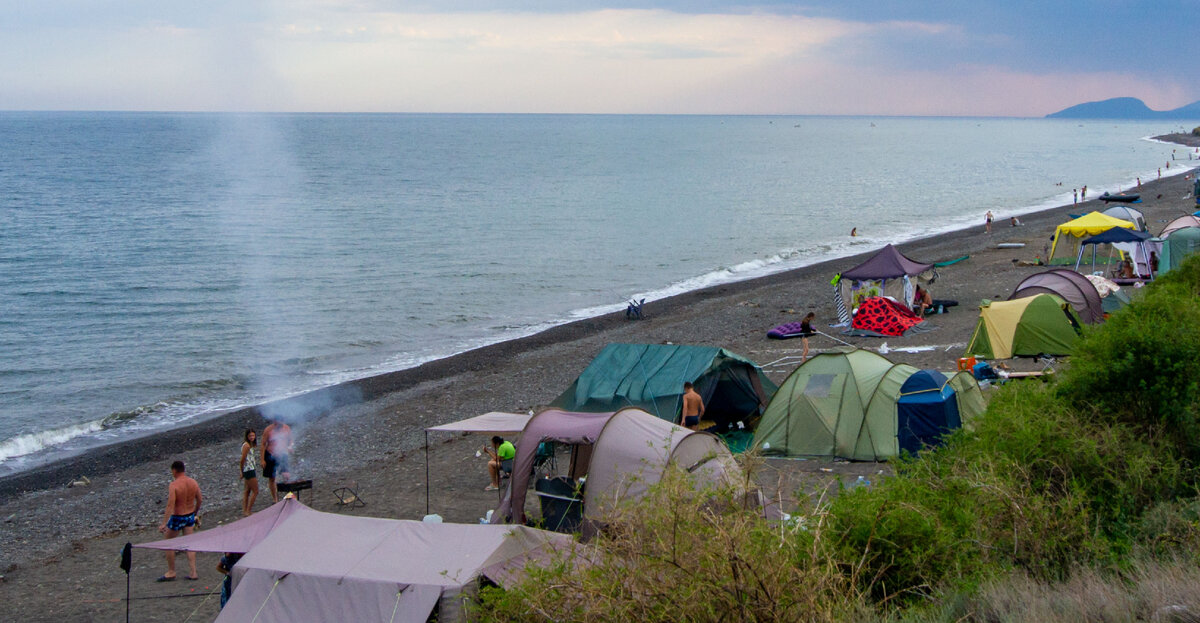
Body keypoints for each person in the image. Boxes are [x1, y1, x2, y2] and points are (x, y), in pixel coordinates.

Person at [157, 460, 202, 582]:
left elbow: (170, 506)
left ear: (174, 470)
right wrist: (195, 513)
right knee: (189, 543)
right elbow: (200, 499)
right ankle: (193, 572)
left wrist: (164, 523)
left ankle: (171, 571)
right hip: (189, 516)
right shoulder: (193, 482)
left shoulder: (174, 485)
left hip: (178, 517)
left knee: (169, 543)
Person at [262, 416, 293, 503]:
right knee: (272, 478)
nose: (280, 423)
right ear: (274, 421)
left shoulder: (286, 428)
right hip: (271, 454)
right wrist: (262, 459)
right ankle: (275, 499)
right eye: (278, 421)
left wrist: (290, 447)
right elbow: (263, 444)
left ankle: (289, 496)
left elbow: (290, 440)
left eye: (281, 421)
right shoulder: (268, 430)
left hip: (283, 454)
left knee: (286, 475)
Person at [239, 429, 259, 516]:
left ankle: (245, 511)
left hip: (250, 468)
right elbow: (242, 459)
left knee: (247, 490)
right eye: (250, 436)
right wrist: (241, 471)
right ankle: (248, 510)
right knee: (255, 491)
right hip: (249, 469)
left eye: (253, 436)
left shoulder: (249, 445)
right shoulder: (246, 446)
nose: (252, 437)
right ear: (247, 436)